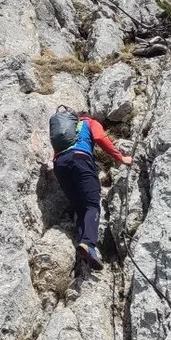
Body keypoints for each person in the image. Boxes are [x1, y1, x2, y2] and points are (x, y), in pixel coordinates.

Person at [48, 108, 132, 270]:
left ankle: (83, 249)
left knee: (80, 208)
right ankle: (89, 245)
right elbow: (100, 138)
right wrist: (120, 157)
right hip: (80, 159)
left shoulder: (64, 132)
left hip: (60, 164)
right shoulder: (90, 122)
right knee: (92, 205)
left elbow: (56, 152)